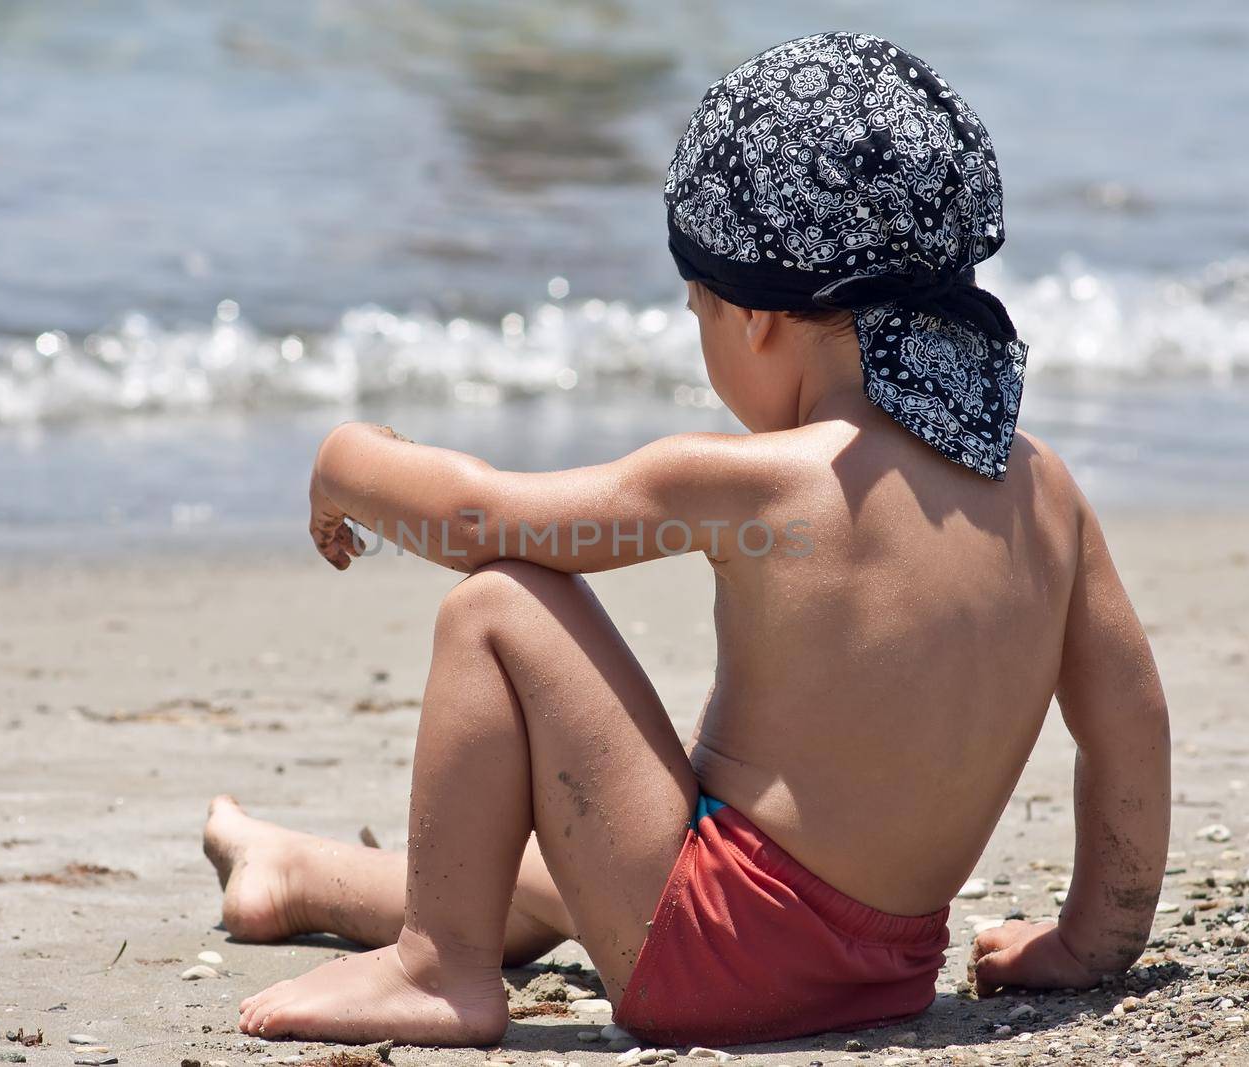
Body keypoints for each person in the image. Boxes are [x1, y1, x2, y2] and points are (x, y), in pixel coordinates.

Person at [203, 31, 1170, 1047]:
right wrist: (1086, 943)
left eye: (695, 304)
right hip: (886, 965)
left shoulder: (760, 482)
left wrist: (346, 458)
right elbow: (1130, 723)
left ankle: (437, 966)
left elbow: (478, 520)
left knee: (501, 604)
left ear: (755, 317)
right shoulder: (1044, 492)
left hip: (718, 963)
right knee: (551, 852)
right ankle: (294, 871)